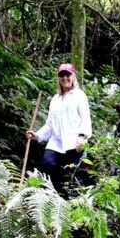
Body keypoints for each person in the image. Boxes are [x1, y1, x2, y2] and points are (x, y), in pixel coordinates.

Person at [26, 63, 91, 195]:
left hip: (74, 143)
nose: (65, 78)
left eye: (68, 74)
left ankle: (75, 204)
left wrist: (82, 137)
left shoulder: (79, 95)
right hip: (56, 142)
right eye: (62, 75)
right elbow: (50, 124)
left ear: (73, 77)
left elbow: (85, 118)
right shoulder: (55, 99)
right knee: (46, 165)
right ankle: (53, 196)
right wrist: (37, 135)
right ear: (58, 78)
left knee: (74, 175)